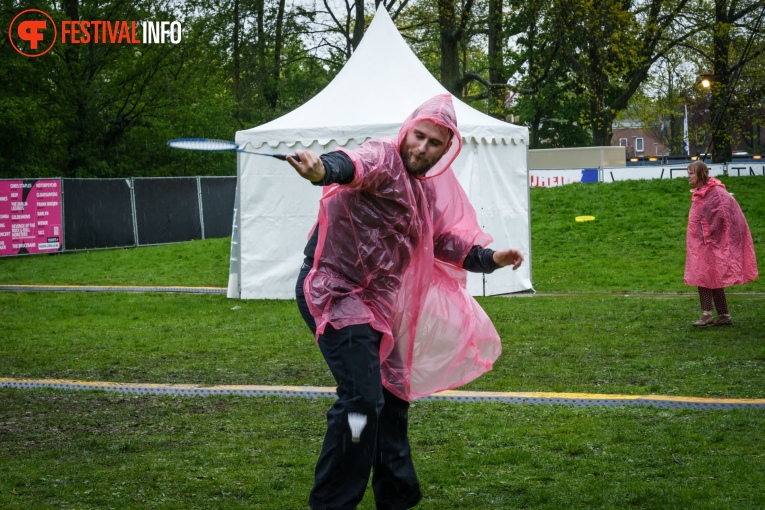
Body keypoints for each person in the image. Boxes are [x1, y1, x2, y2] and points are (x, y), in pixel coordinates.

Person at [286, 94, 524, 510]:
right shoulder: (383, 156)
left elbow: (443, 241)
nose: (421, 148)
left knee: (392, 397)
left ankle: (395, 498)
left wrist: (490, 259)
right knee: (362, 399)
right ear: (407, 130)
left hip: (381, 304)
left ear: (446, 150)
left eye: (434, 143)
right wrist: (323, 169)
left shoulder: (425, 190)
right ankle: (333, 502)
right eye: (419, 136)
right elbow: (351, 164)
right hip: (335, 291)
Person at [684, 161, 758, 327]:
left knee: (703, 276)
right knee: (711, 276)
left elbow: (726, 215)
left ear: (701, 174)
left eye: (691, 173)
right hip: (702, 242)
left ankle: (707, 314)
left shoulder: (715, 192)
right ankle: (724, 315)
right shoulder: (703, 191)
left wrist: (712, 237)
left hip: (711, 243)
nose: (688, 176)